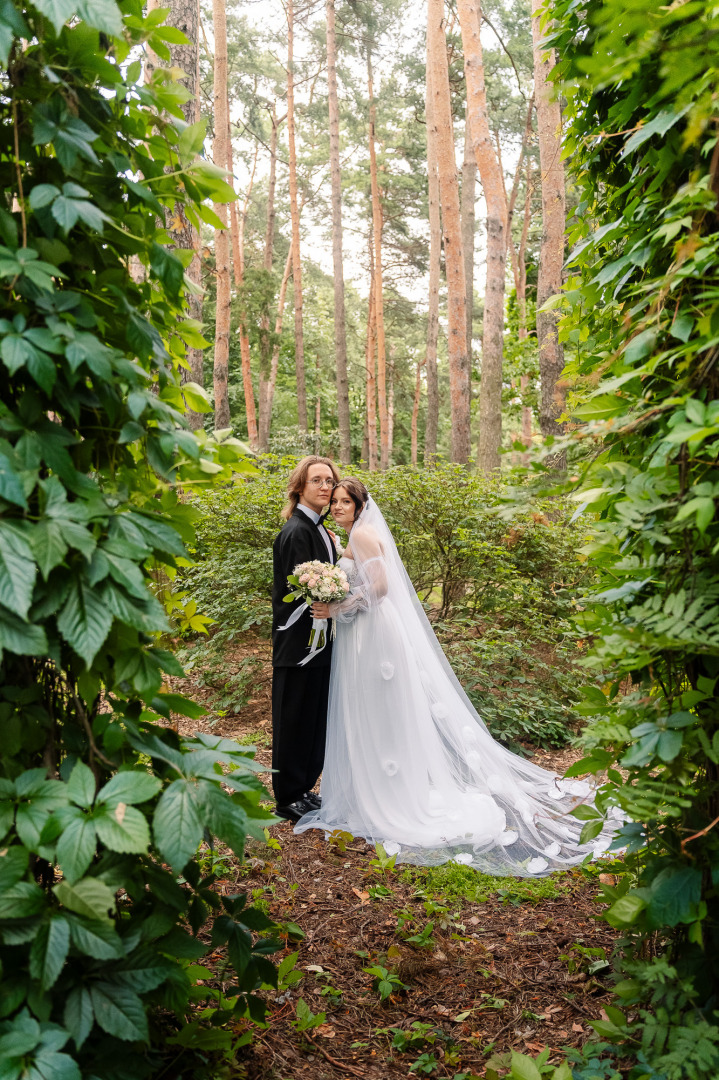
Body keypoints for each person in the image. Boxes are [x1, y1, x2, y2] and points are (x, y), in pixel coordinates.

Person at [295, 478, 618, 876]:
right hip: (366, 630)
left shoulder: (361, 534)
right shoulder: (356, 534)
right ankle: (379, 788)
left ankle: (388, 795)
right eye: (337, 501)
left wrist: (338, 605)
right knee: (376, 711)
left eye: (346, 501)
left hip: (373, 632)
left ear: (361, 506)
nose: (339, 506)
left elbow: (379, 588)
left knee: (378, 710)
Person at [271, 455, 340, 822]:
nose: (325, 486)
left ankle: (303, 789)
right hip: (297, 644)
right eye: (317, 480)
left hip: (320, 643)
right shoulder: (297, 530)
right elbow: (300, 591)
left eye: (329, 480)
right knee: (292, 718)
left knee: (312, 718)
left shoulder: (320, 529)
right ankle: (287, 797)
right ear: (300, 486)